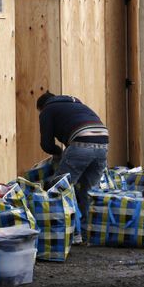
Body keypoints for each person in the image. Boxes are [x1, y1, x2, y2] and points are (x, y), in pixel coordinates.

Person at [37, 91, 108, 241]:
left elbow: (46, 143)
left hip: (81, 142)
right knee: (89, 191)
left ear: (41, 107)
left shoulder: (47, 110)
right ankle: (89, 232)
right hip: (103, 142)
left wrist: (57, 153)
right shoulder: (77, 106)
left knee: (61, 188)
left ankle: (72, 233)